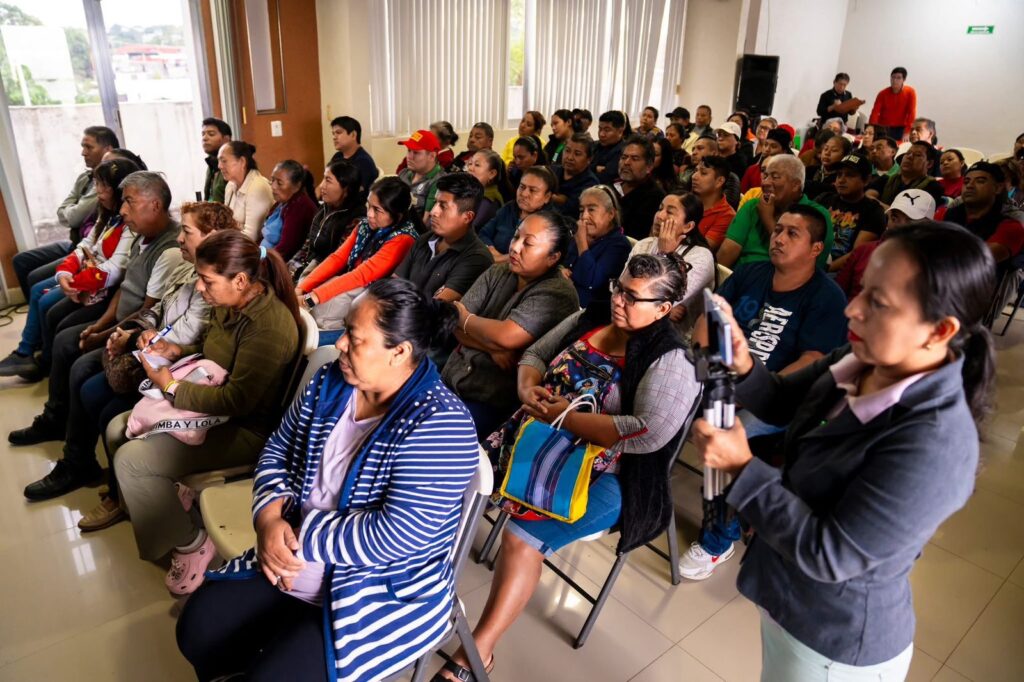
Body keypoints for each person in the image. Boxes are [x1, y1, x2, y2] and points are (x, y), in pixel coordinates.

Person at [695, 222, 994, 681]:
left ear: (940, 330)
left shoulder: (936, 445)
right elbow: (781, 401)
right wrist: (745, 364)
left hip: (832, 642)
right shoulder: (860, 360)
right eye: (863, 290)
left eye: (878, 302)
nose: (852, 309)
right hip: (788, 597)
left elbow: (831, 553)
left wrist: (741, 466)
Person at [177, 278, 478, 682]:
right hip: (290, 554)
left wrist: (297, 537)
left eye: (355, 337)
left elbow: (399, 534)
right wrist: (269, 519)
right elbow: (279, 448)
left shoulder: (440, 425)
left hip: (376, 588)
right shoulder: (330, 381)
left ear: (399, 352)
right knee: (198, 631)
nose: (340, 344)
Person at [436, 253, 699, 682]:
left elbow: (646, 432)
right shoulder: (594, 316)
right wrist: (527, 388)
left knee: (521, 538)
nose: (619, 300)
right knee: (457, 480)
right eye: (619, 288)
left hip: (610, 474)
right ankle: (419, 587)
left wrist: (567, 418)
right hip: (539, 439)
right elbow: (537, 353)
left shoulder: (671, 359)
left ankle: (477, 653)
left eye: (633, 297)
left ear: (663, 309)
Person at [104, 230, 300, 591]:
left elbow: (237, 401)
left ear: (239, 280)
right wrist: (173, 351)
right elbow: (211, 347)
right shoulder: (231, 302)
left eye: (207, 280)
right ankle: (164, 507)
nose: (199, 287)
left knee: (132, 461)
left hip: (246, 429)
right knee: (117, 427)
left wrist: (171, 387)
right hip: (214, 411)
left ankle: (191, 542)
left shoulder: (269, 327)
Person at [681, 205, 849, 579]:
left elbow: (811, 361)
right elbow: (709, 317)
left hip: (777, 399)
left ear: (816, 248)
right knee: (662, 388)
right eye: (778, 230)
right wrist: (704, 367)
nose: (779, 238)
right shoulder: (751, 272)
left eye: (792, 233)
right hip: (718, 375)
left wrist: (748, 388)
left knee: (728, 431)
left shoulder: (827, 297)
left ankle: (718, 539)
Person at [15, 172, 184, 498]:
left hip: (139, 334)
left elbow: (148, 311)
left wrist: (106, 334)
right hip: (120, 323)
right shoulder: (141, 235)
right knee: (67, 339)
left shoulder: (169, 250)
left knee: (80, 365)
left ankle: (77, 461)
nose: (122, 209)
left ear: (155, 204)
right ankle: (59, 425)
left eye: (129, 201)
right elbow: (125, 288)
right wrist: (100, 326)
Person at [73, 201, 238, 531]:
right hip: (159, 355)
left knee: (106, 408)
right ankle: (89, 469)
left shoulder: (217, 283)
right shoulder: (185, 267)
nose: (179, 238)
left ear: (212, 237)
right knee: (87, 382)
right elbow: (158, 308)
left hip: (180, 369)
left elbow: (191, 335)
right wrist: (135, 331)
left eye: (187, 232)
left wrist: (140, 341)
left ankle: (120, 495)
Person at [443, 211, 580, 438]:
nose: (515, 247)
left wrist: (466, 319)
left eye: (528, 243)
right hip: (452, 377)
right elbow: (452, 321)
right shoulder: (498, 271)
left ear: (553, 257)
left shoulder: (557, 293)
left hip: (493, 400)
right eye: (516, 237)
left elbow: (505, 335)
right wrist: (492, 348)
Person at [0, 158, 139, 379]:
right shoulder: (108, 216)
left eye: (103, 186)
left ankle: (42, 359)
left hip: (102, 287)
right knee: (42, 295)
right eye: (97, 184)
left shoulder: (129, 224)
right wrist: (64, 273)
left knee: (47, 303)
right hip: (88, 277)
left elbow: (113, 270)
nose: (98, 191)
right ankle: (35, 355)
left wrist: (73, 282)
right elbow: (84, 246)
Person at [297, 177, 419, 331]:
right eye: (369, 206)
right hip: (353, 281)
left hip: (374, 296)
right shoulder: (364, 226)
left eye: (377, 210)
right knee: (308, 282)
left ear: (397, 215)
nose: (370, 214)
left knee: (322, 312)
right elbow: (337, 258)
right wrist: (301, 289)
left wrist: (311, 299)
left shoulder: (403, 239)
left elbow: (362, 276)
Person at [12, 125, 118, 301]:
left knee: (35, 281)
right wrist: (72, 212)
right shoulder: (85, 178)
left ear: (108, 150)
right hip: (76, 242)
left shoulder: (107, 186)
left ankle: (40, 305)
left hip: (88, 248)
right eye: (82, 147)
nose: (83, 153)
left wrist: (72, 212)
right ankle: (36, 308)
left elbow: (74, 218)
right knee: (21, 260)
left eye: (89, 147)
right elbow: (63, 213)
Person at [718, 154, 834, 270]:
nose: (765, 183)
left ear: (795, 185)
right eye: (765, 176)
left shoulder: (817, 216)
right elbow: (727, 253)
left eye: (775, 177)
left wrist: (768, 219)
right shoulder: (753, 205)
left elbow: (803, 269)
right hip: (740, 275)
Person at [394, 172, 493, 303]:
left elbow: (437, 307)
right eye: (435, 203)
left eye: (443, 206)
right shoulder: (425, 239)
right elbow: (394, 285)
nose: (433, 212)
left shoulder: (477, 258)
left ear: (467, 217)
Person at [630, 191, 715, 332]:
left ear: (688, 226)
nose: (659, 216)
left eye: (669, 212)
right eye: (660, 209)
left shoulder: (701, 257)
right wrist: (666, 311)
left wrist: (664, 254)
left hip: (671, 337)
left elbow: (655, 298)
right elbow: (620, 289)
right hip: (631, 322)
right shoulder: (644, 244)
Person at [836, 189, 936, 300]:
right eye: (894, 218)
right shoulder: (863, 251)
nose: (899, 226)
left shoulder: (934, 269)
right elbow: (836, 296)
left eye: (911, 221)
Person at [288, 160, 366, 281]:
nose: (322, 186)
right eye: (324, 179)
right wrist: (292, 267)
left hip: (327, 277)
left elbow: (338, 262)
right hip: (310, 267)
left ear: (346, 189)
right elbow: (308, 245)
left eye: (328, 181)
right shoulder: (325, 208)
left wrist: (303, 279)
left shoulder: (356, 219)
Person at [936, 162, 1024, 265]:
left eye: (980, 181)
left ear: (998, 188)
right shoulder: (943, 214)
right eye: (966, 181)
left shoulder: (1011, 226)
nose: (970, 185)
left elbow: (973, 261)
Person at [816, 155, 886, 274]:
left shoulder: (873, 211)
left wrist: (822, 271)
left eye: (850, 175)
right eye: (839, 174)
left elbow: (856, 253)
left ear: (866, 180)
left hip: (839, 272)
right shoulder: (825, 199)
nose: (841, 180)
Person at [565, 185, 632, 307]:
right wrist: (560, 271)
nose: (584, 216)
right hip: (565, 298)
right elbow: (564, 263)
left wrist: (582, 243)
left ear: (610, 214)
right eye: (581, 210)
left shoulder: (619, 245)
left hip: (588, 310)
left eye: (591, 210)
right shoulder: (582, 235)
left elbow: (590, 281)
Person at [479, 166, 557, 262]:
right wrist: (491, 249)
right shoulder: (509, 208)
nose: (524, 194)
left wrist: (500, 259)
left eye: (532, 190)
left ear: (547, 197)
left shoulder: (551, 224)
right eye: (522, 187)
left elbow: (532, 258)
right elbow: (484, 233)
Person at [260, 160, 317, 261]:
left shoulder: (300, 207)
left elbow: (285, 250)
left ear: (296, 186)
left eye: (279, 183)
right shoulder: (281, 203)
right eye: (272, 180)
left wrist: (258, 262)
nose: (273, 186)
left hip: (278, 263)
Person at [221, 141, 275, 241]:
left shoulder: (258, 186)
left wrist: (220, 238)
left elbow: (251, 236)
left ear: (242, 162)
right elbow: (224, 222)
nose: (219, 166)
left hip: (251, 246)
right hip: (233, 242)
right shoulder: (230, 185)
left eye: (224, 161)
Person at [615, 135, 666, 241]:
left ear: (649, 167)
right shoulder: (611, 186)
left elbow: (635, 238)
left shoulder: (655, 197)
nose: (626, 162)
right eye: (624, 157)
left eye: (635, 159)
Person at [867, 141, 944, 207]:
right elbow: (867, 197)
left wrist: (880, 207)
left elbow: (910, 214)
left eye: (917, 155)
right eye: (908, 153)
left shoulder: (933, 186)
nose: (909, 157)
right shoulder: (886, 180)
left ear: (929, 163)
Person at [397, 129, 445, 223]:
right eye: (409, 151)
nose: (409, 157)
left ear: (432, 156)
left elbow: (426, 223)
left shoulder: (440, 182)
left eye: (416, 152)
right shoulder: (404, 174)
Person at [681, 135, 741, 208]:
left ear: (714, 153)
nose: (694, 152)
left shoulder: (730, 178)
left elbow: (727, 205)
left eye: (700, 148)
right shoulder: (689, 171)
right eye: (693, 149)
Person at [691, 156, 737, 250]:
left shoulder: (727, 215)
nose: (694, 176)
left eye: (703, 173)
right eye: (695, 171)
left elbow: (701, 250)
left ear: (719, 181)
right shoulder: (685, 200)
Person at [550, 133, 600, 219]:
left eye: (577, 154)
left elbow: (567, 211)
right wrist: (558, 199)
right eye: (567, 151)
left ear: (589, 159)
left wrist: (550, 197)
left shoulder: (590, 184)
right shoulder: (552, 171)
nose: (570, 157)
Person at [327, 115, 379, 193]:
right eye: (333, 134)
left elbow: (355, 193)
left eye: (338, 132)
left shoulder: (364, 161)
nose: (334, 137)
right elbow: (326, 181)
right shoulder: (337, 156)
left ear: (353, 135)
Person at [465, 148, 514, 229]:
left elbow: (468, 227)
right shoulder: (473, 192)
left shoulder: (488, 201)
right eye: (470, 163)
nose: (470, 168)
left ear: (492, 173)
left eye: (477, 165)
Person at [869, 66, 917, 141]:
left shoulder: (910, 92)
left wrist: (907, 132)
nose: (895, 80)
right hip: (883, 127)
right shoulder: (882, 93)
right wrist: (871, 128)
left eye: (898, 78)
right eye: (893, 77)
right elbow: (875, 112)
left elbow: (911, 113)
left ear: (904, 79)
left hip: (901, 128)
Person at [741, 127, 792, 192]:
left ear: (784, 151)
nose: (767, 149)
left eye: (773, 146)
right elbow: (743, 195)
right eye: (765, 145)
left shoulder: (789, 174)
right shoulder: (752, 171)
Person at [804, 134, 852, 199]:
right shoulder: (809, 170)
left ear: (845, 156)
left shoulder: (842, 178)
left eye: (834, 150)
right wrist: (829, 187)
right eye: (825, 149)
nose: (827, 153)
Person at [592, 110, 629, 183]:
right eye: (600, 129)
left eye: (607, 130)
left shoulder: (624, 151)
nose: (601, 134)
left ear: (620, 131)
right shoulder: (594, 145)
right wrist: (595, 168)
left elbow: (604, 178)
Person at [201, 117, 231, 203]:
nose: (204, 138)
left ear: (226, 139)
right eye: (203, 134)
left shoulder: (233, 166)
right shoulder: (211, 164)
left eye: (211, 134)